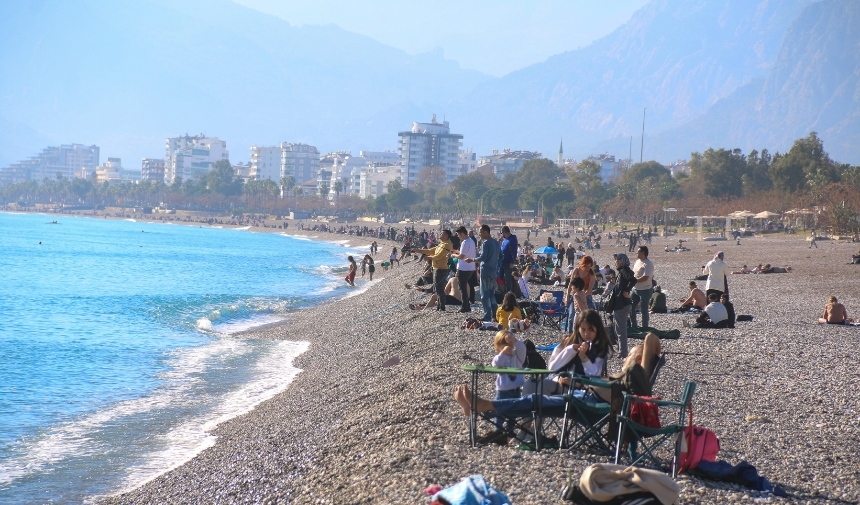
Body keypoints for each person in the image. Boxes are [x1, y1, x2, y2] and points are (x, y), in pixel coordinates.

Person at [466, 224, 500, 322]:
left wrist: (471, 260)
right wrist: (494, 263)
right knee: (491, 294)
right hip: (493, 271)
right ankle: (495, 315)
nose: (479, 234)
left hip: (485, 271)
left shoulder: (486, 243)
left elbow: (483, 257)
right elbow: (501, 256)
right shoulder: (496, 242)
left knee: (484, 295)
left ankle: (487, 316)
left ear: (486, 232)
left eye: (480, 232)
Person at [413, 229, 454, 311]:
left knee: (439, 288)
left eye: (442, 233)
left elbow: (438, 256)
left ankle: (442, 307)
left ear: (446, 235)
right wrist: (416, 250)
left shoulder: (447, 245)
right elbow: (429, 251)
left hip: (441, 269)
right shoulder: (441, 244)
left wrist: (428, 257)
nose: (440, 234)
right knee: (438, 288)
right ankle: (439, 306)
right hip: (436, 268)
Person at [610, 253, 636, 358]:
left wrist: (626, 290)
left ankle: (623, 352)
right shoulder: (622, 272)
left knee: (621, 330)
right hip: (620, 304)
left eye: (617, 260)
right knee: (618, 330)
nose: (616, 262)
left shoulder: (624, 271)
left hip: (622, 304)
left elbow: (633, 280)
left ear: (622, 261)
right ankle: (621, 350)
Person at [566, 255, 595, 331]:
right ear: (582, 264)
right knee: (571, 316)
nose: (587, 269)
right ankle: (570, 335)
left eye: (589, 267)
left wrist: (582, 296)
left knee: (587, 318)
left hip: (586, 297)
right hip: (575, 295)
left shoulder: (591, 274)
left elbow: (590, 288)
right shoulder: (576, 270)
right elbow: (570, 284)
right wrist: (567, 296)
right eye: (586, 266)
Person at [451, 226, 476, 313]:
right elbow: (465, 254)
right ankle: (467, 306)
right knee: (464, 287)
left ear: (462, 233)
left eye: (458, 234)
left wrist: (453, 255)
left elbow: (461, 257)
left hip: (464, 268)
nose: (458, 236)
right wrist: (456, 252)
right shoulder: (471, 241)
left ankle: (465, 307)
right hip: (470, 268)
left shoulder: (465, 242)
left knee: (462, 288)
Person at [630, 246, 655, 329]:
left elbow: (645, 277)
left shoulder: (648, 264)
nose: (636, 253)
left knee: (644, 310)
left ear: (643, 253)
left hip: (645, 290)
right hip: (635, 289)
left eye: (638, 252)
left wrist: (634, 281)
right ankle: (634, 326)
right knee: (631, 307)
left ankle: (645, 327)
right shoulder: (637, 261)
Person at [500, 226, 519, 294]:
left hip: (508, 262)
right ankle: (501, 292)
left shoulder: (512, 239)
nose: (502, 234)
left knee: (508, 279)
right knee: (500, 278)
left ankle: (509, 294)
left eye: (502, 233)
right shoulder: (505, 240)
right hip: (501, 262)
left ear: (505, 232)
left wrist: (512, 262)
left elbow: (514, 251)